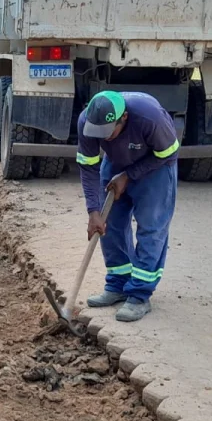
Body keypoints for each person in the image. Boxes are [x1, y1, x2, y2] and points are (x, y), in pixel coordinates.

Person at [75, 91, 179, 322]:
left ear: (124, 118)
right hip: (116, 163)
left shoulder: (150, 118)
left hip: (156, 167)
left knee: (151, 228)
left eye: (108, 132)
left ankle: (139, 294)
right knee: (108, 224)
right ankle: (119, 284)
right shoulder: (87, 121)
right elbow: (88, 167)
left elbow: (168, 154)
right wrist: (93, 211)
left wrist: (129, 176)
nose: (105, 138)